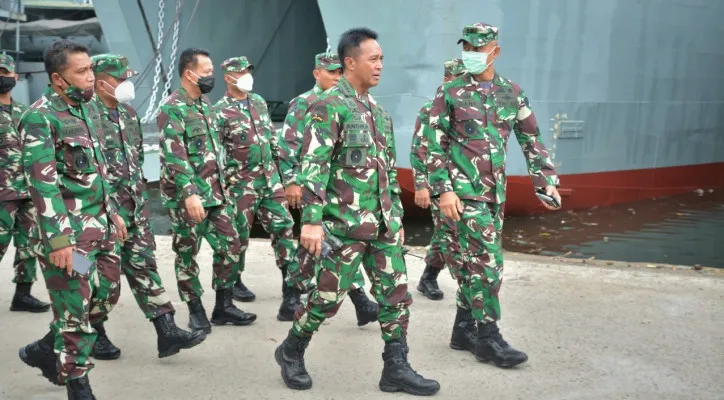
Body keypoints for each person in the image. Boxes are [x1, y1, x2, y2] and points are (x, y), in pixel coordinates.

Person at [274, 28, 440, 396]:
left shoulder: (378, 112)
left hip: (380, 226)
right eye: (373, 59)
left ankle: (395, 368)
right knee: (327, 300)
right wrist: (312, 223)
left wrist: (395, 219)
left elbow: (386, 173)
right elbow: (313, 166)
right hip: (344, 226)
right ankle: (291, 349)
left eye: (381, 58)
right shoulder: (328, 106)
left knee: (396, 296)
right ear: (350, 62)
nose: (380, 65)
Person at [427, 23, 562, 368]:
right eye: (467, 47)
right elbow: (433, 144)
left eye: (477, 48)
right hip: (462, 196)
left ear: (494, 51)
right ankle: (488, 338)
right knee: (489, 264)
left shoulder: (510, 93)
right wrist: (443, 191)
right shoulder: (451, 93)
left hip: (494, 197)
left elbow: (531, 139)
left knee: (474, 265)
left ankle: (462, 329)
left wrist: (545, 180)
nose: (471, 54)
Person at [17, 39, 126, 399]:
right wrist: (59, 241)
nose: (91, 76)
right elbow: (42, 184)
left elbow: (96, 170)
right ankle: (77, 382)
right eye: (81, 71)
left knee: (106, 293)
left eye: (91, 68)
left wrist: (113, 214)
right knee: (75, 306)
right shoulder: (39, 117)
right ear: (57, 79)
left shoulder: (89, 109)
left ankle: (47, 346)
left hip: (101, 228)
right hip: (67, 237)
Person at [87, 53, 207, 360]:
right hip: (101, 215)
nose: (127, 83)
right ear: (101, 83)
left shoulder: (127, 114)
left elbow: (136, 162)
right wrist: (106, 212)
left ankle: (166, 331)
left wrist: (138, 205)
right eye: (120, 78)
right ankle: (91, 329)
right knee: (104, 283)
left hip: (134, 210)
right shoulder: (86, 116)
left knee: (145, 268)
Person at [157, 47, 255, 334]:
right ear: (189, 73)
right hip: (189, 198)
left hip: (215, 194)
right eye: (208, 72)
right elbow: (174, 156)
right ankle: (195, 309)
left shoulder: (205, 106)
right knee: (187, 255)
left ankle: (223, 306)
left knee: (231, 246)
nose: (212, 76)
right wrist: (189, 194)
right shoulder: (172, 108)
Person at [278, 51, 378, 324]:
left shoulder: (348, 102)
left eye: (339, 72)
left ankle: (360, 302)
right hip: (311, 186)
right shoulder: (304, 103)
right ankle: (291, 295)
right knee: (315, 244)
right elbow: (289, 146)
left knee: (338, 244)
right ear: (316, 73)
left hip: (338, 188)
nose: (336, 77)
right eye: (330, 72)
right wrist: (292, 182)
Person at [214, 56, 301, 319]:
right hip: (240, 186)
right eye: (241, 72)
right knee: (235, 240)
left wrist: (287, 176)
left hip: (269, 181)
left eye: (248, 71)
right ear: (229, 77)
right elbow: (215, 154)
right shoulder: (219, 112)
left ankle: (291, 295)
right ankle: (226, 297)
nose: (247, 75)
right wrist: (222, 187)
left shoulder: (259, 103)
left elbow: (271, 141)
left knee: (284, 229)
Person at [410, 58, 466, 301]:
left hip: (464, 183)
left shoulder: (468, 109)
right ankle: (468, 284)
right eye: (460, 79)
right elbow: (419, 149)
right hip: (438, 183)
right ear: (447, 79)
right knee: (451, 232)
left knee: (445, 232)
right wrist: (421, 185)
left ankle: (428, 277)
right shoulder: (431, 109)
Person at [0, 54, 48, 313]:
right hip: (2, 194)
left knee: (28, 244)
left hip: (27, 192)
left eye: (6, 72)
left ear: (15, 76)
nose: (3, 78)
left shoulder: (24, 113)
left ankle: (23, 294)